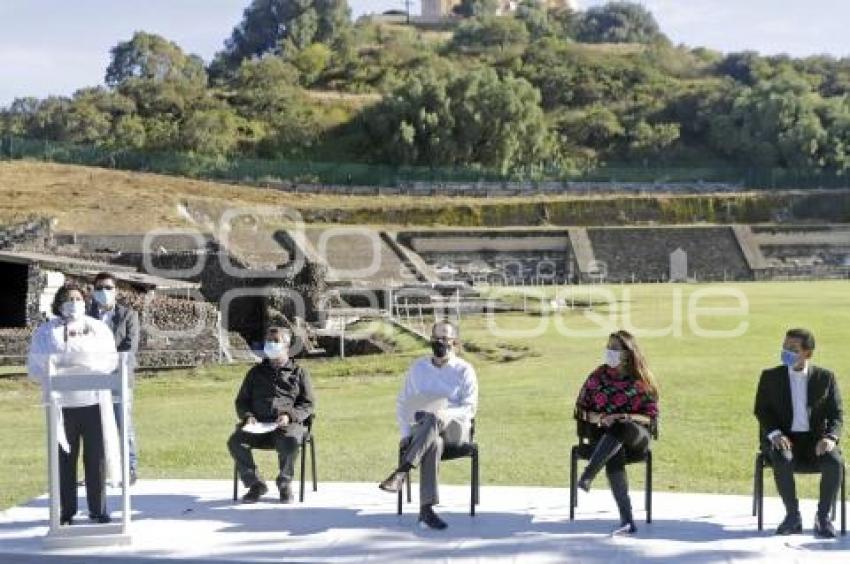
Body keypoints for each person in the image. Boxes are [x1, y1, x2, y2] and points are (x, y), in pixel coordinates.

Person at [27, 282, 119, 525]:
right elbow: (35, 366)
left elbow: (110, 360)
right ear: (59, 303)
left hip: (93, 402)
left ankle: (98, 509)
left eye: (78, 298)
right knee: (64, 459)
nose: (74, 303)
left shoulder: (98, 328)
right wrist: (59, 367)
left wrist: (86, 366)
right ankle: (66, 510)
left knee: (95, 458)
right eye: (69, 299)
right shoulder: (46, 331)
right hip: (62, 405)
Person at [379, 320, 479, 530]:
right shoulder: (418, 368)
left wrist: (443, 414)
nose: (440, 342)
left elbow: (469, 409)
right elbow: (403, 403)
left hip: (456, 428)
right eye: (436, 338)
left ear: (455, 342)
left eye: (445, 338)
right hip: (425, 429)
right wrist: (405, 434)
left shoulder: (464, 370)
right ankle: (426, 510)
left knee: (435, 418)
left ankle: (402, 471)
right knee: (433, 442)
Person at [754, 328, 843, 538]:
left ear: (808, 353)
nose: (786, 351)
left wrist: (830, 438)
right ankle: (793, 516)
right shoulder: (770, 377)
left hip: (815, 442)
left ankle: (822, 517)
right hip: (784, 439)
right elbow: (761, 410)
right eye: (785, 346)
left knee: (834, 462)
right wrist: (774, 433)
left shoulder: (825, 377)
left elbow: (837, 413)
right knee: (782, 458)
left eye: (793, 348)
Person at [573, 330, 659, 535]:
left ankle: (588, 474)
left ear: (627, 353)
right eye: (608, 347)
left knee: (621, 427)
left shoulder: (641, 381)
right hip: (604, 440)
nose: (609, 351)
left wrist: (626, 417)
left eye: (614, 348)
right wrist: (602, 419)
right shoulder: (597, 377)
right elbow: (582, 410)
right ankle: (627, 520)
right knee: (613, 446)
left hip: (636, 438)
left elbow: (651, 417)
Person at [227, 327, 316, 503]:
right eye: (268, 341)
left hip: (285, 427)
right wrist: (248, 416)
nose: (270, 344)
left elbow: (308, 404)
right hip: (258, 426)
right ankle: (255, 484)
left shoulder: (299, 373)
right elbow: (241, 401)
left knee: (291, 440)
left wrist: (289, 416)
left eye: (275, 341)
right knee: (235, 441)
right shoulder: (254, 373)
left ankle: (284, 483)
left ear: (287, 346)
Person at [87, 271, 140, 484]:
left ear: (116, 290)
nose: (104, 292)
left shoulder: (128, 315)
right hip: (93, 380)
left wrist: (107, 362)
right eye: (100, 288)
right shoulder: (86, 317)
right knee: (94, 428)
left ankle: (130, 468)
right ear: (93, 291)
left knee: (123, 425)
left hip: (120, 379)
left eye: (108, 287)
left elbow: (129, 348)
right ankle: (98, 470)